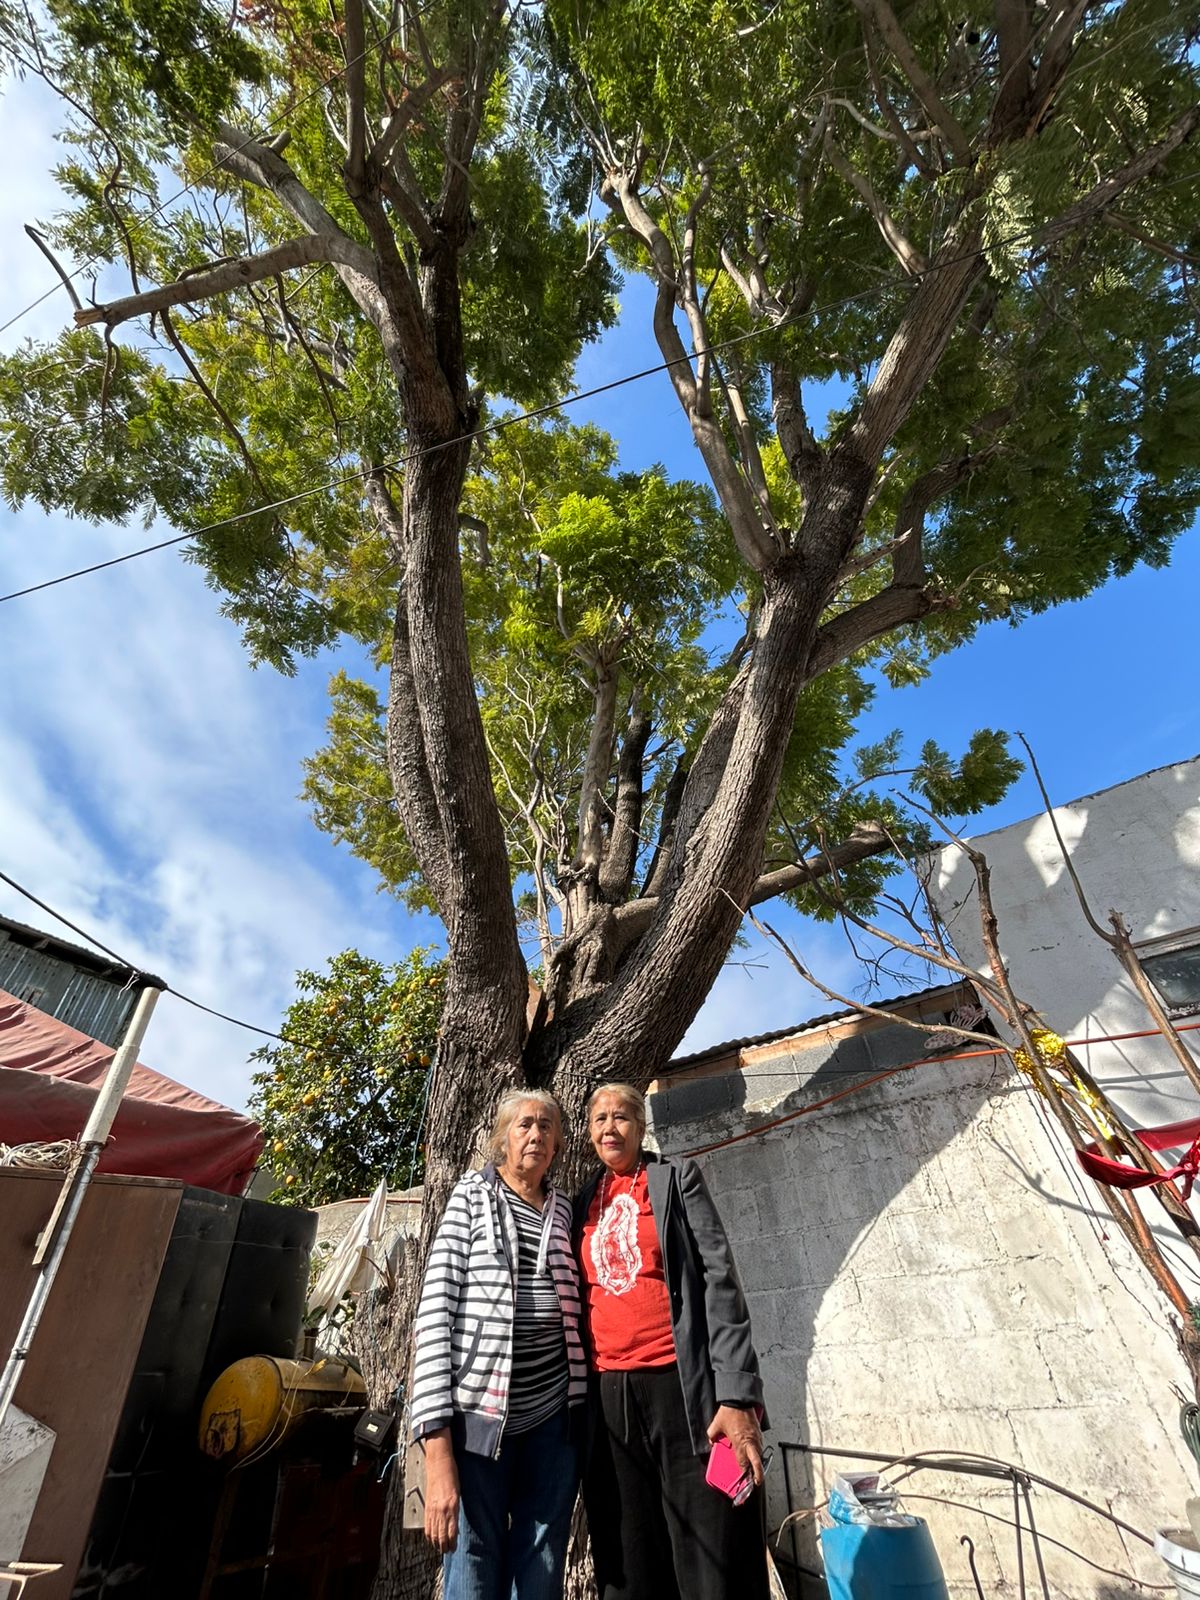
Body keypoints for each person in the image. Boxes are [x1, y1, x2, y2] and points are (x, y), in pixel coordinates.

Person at [575, 1082, 770, 1600]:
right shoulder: (580, 1203)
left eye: (621, 1117)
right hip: (609, 1395)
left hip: (682, 1388)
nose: (610, 1127)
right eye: (599, 1119)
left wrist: (734, 1392)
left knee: (712, 1541)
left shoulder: (674, 1179)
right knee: (631, 1546)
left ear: (640, 1128)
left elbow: (719, 1279)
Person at [410, 1089, 587, 1600]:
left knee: (543, 1559)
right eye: (525, 1125)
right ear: (503, 1139)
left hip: (554, 1419)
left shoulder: (563, 1209)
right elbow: (435, 1313)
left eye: (547, 1127)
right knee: (472, 1559)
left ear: (557, 1145)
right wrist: (437, 1449)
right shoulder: (471, 1197)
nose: (536, 1135)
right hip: (478, 1423)